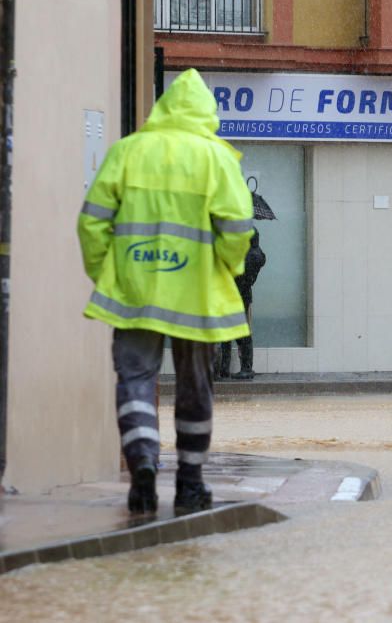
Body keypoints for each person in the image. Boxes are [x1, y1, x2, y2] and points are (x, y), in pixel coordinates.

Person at [77, 68, 254, 515]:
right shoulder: (216, 158)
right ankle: (191, 484)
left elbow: (91, 221)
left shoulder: (128, 151)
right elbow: (237, 228)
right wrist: (227, 268)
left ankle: (142, 471)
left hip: (135, 291)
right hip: (197, 295)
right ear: (207, 115)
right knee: (196, 388)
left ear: (163, 108)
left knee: (135, 381)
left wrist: (107, 274)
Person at [217, 228, 266, 381]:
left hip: (237, 297)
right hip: (240, 297)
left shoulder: (250, 255)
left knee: (238, 334)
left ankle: (241, 368)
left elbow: (236, 275)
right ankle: (229, 368)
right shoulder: (256, 254)